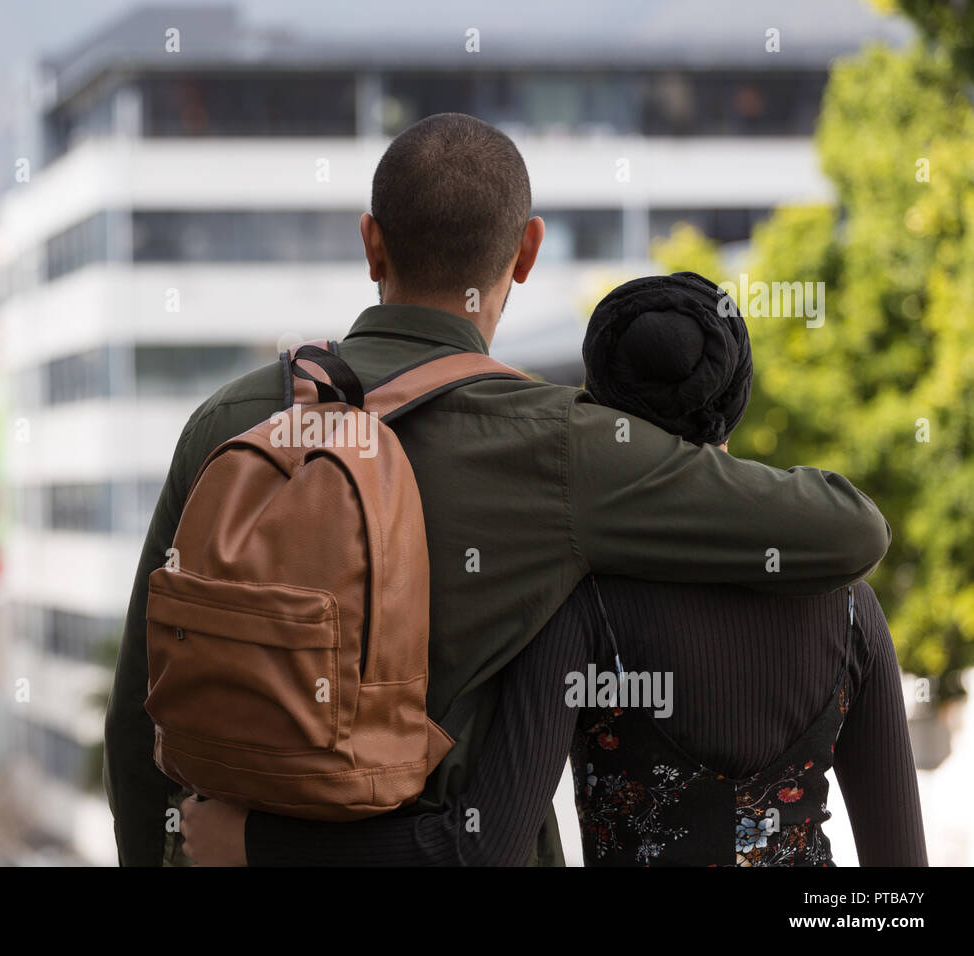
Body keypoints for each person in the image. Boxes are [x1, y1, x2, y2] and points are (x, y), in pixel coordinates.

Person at [105, 113, 891, 867]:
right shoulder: (565, 446)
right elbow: (849, 532)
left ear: (371, 242)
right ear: (526, 252)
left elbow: (138, 715)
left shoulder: (234, 422)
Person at [179, 273, 926, 867]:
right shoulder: (853, 608)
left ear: (602, 405)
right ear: (734, 397)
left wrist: (251, 845)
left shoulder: (581, 607)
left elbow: (480, 847)